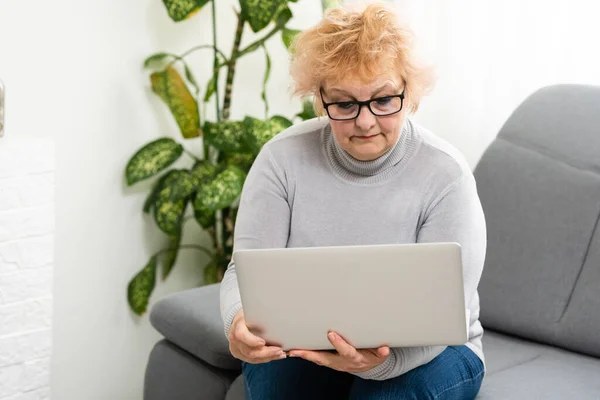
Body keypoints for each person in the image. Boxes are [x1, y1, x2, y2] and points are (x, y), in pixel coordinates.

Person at [220, 2, 486, 399]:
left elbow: (447, 315)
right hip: (308, 341)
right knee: (279, 387)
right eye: (344, 104)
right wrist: (238, 322)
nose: (365, 122)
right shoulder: (281, 159)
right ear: (319, 98)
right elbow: (243, 273)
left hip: (435, 352)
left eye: (383, 101)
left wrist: (380, 364)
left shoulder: (446, 174)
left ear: (408, 93)